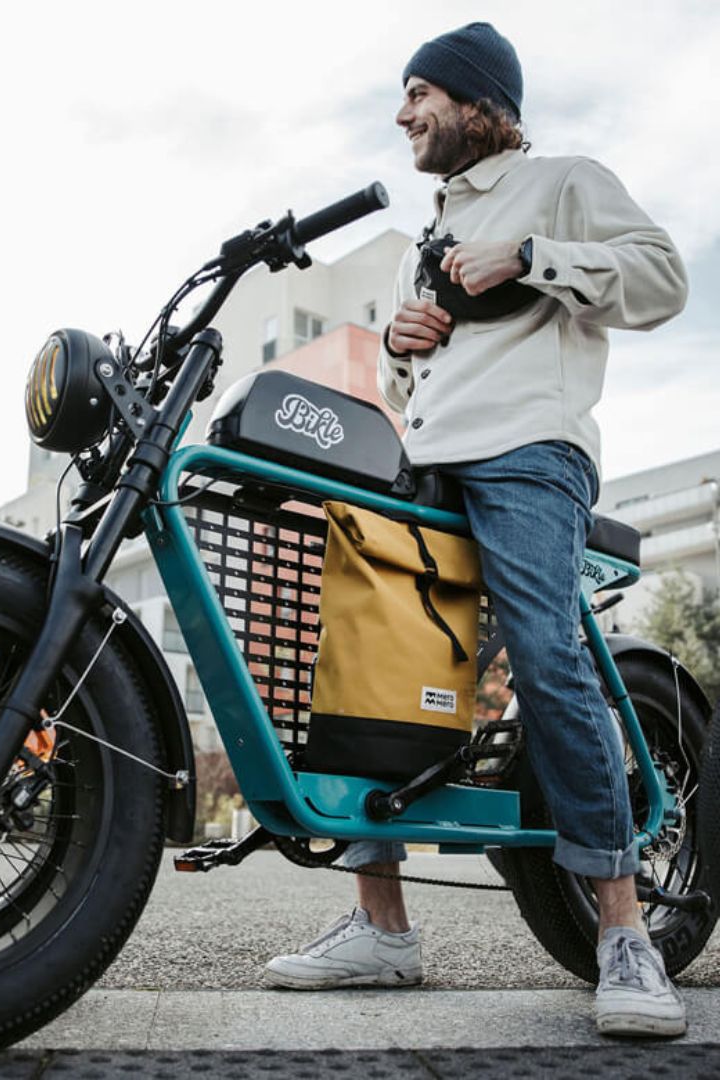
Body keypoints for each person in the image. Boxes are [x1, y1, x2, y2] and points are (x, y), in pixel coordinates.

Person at [264, 22, 689, 1038]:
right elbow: (429, 373)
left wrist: (531, 254)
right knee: (361, 660)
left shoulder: (562, 181)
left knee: (546, 656)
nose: (404, 113)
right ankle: (383, 928)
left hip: (533, 451)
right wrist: (408, 346)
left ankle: (623, 931)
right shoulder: (433, 233)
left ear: (477, 100)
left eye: (421, 94)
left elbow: (665, 278)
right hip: (431, 457)